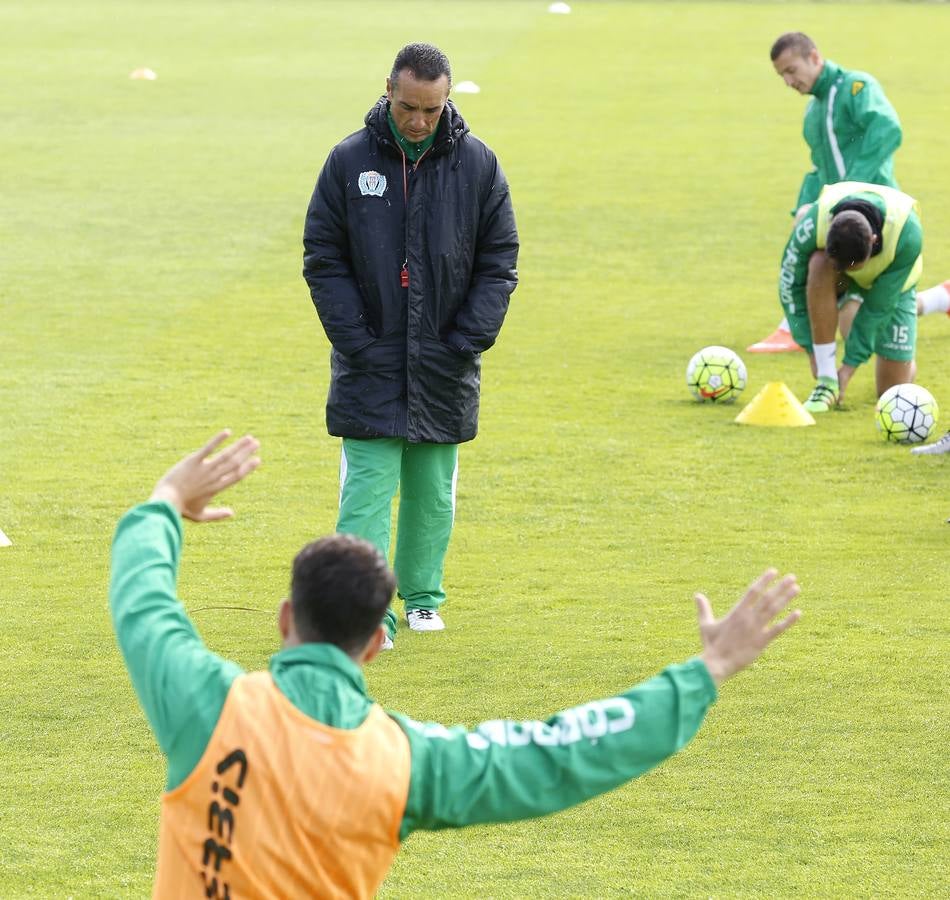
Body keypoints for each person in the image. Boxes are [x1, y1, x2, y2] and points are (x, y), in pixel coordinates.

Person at [110, 431, 802, 899]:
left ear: (286, 617)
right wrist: (704, 671)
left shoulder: (206, 703)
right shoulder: (405, 762)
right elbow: (561, 754)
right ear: (374, 643)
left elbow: (143, 602)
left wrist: (165, 502)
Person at [302, 43, 518, 648]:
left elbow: (499, 260)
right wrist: (356, 339)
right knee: (366, 496)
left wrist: (467, 339)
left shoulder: (478, 164)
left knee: (431, 495)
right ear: (388, 91)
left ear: (447, 99)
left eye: (431, 109)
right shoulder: (349, 161)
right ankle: (366, 616)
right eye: (408, 107)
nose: (419, 120)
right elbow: (323, 257)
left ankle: (422, 598)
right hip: (369, 362)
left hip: (445, 361)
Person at [750, 32, 948, 352]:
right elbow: (818, 169)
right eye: (781, 75)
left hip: (874, 216)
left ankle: (794, 329)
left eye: (791, 70)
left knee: (867, 308)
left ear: (814, 57)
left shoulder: (856, 87)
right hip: (838, 214)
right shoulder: (813, 113)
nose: (788, 81)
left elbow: (887, 129)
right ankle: (941, 298)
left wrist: (847, 191)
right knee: (847, 302)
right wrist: (804, 209)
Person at [777, 180, 922, 412]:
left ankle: (933, 303)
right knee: (819, 262)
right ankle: (826, 381)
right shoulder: (815, 223)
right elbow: (790, 286)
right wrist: (813, 352)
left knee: (891, 393)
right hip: (840, 281)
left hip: (892, 284)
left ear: (874, 240)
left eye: (853, 266)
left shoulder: (908, 233)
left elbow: (877, 308)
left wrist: (847, 369)